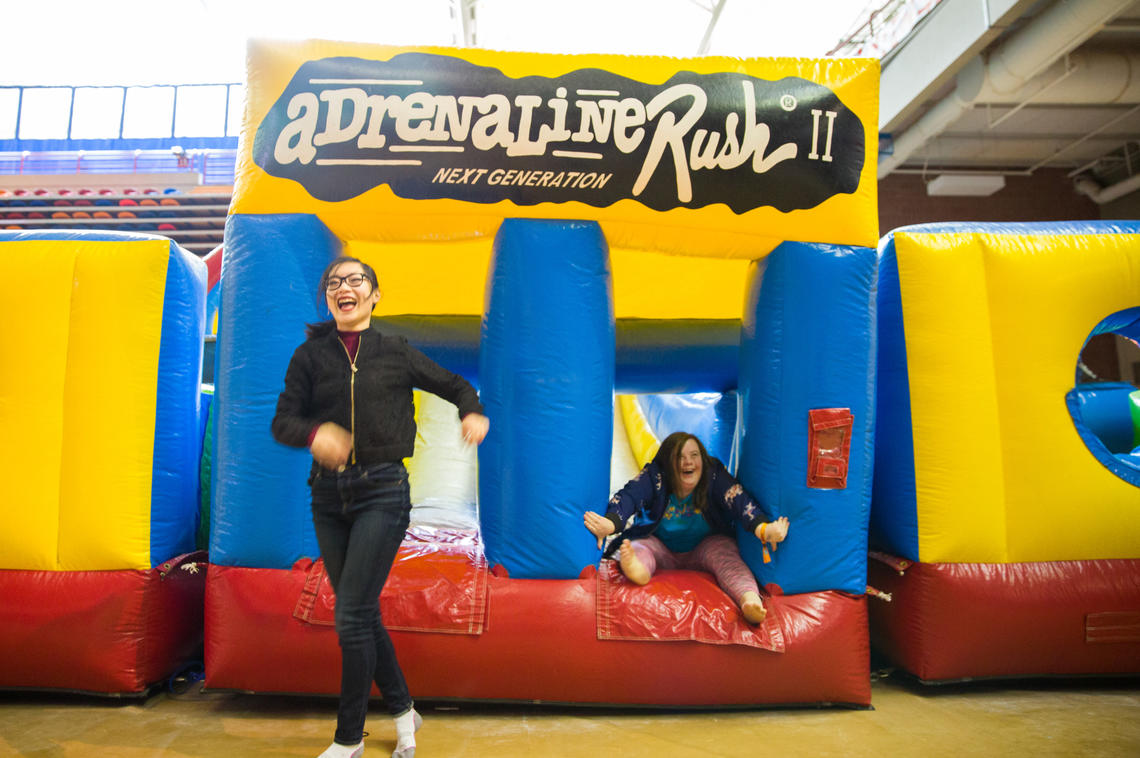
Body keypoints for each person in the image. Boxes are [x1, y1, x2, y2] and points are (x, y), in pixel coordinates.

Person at [272, 255, 489, 758]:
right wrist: (313, 431)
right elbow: (284, 420)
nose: (342, 288)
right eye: (333, 283)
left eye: (354, 280)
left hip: (383, 491)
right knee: (361, 611)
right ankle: (403, 707)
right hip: (328, 495)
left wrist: (472, 410)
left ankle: (349, 738)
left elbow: (455, 384)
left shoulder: (394, 351)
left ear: (374, 294)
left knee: (349, 614)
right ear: (328, 297)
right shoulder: (309, 356)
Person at [583, 431, 788, 624]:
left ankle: (749, 599)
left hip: (705, 546)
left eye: (694, 455)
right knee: (639, 547)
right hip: (661, 546)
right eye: (679, 456)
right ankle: (638, 569)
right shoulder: (656, 476)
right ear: (667, 463)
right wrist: (610, 524)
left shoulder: (713, 475)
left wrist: (764, 529)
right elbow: (630, 496)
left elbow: (738, 500)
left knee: (727, 555)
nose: (688, 462)